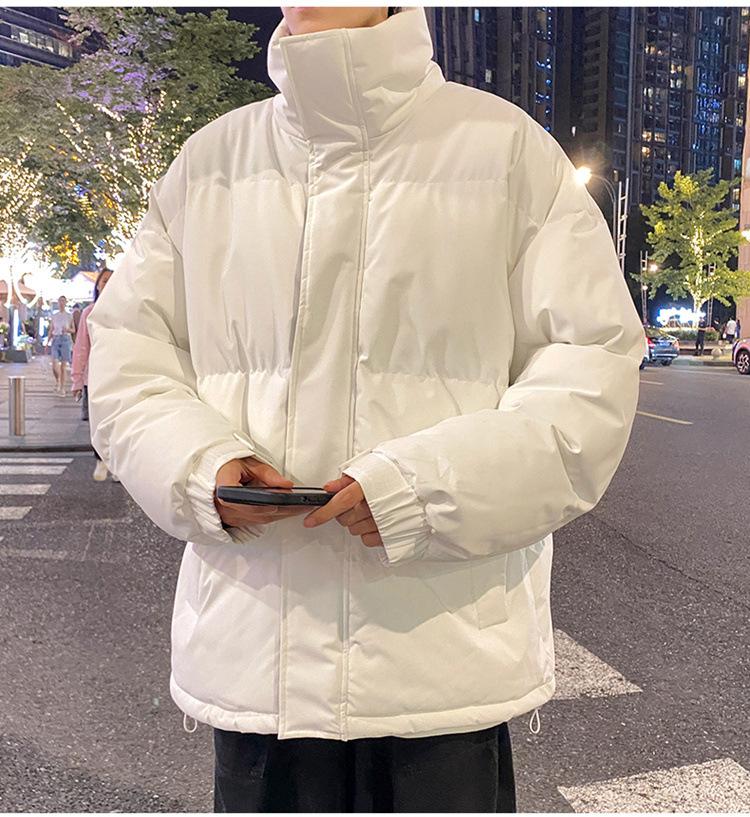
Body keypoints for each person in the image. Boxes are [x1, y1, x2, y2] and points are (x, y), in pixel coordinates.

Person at [86, 6, 644, 813]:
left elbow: (590, 373)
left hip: (440, 674)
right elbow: (127, 353)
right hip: (258, 661)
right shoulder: (209, 163)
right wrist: (198, 465)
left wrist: (425, 488)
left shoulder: (506, 150)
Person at [72, 268, 119, 482]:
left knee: (119, 422)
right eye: (104, 280)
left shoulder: (124, 310)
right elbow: (82, 346)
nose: (107, 284)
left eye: (112, 280)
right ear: (98, 285)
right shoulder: (89, 312)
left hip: (118, 375)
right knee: (98, 422)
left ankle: (117, 465)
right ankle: (101, 459)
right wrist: (76, 379)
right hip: (95, 377)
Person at [47, 295, 75, 395]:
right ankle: (58, 380)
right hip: (56, 339)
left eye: (63, 301)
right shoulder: (54, 316)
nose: (61, 303)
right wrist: (47, 341)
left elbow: (73, 330)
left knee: (63, 365)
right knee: (54, 363)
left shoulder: (69, 316)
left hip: (65, 339)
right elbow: (51, 329)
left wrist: (67, 330)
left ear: (66, 303)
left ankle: (62, 387)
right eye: (60, 301)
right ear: (58, 303)